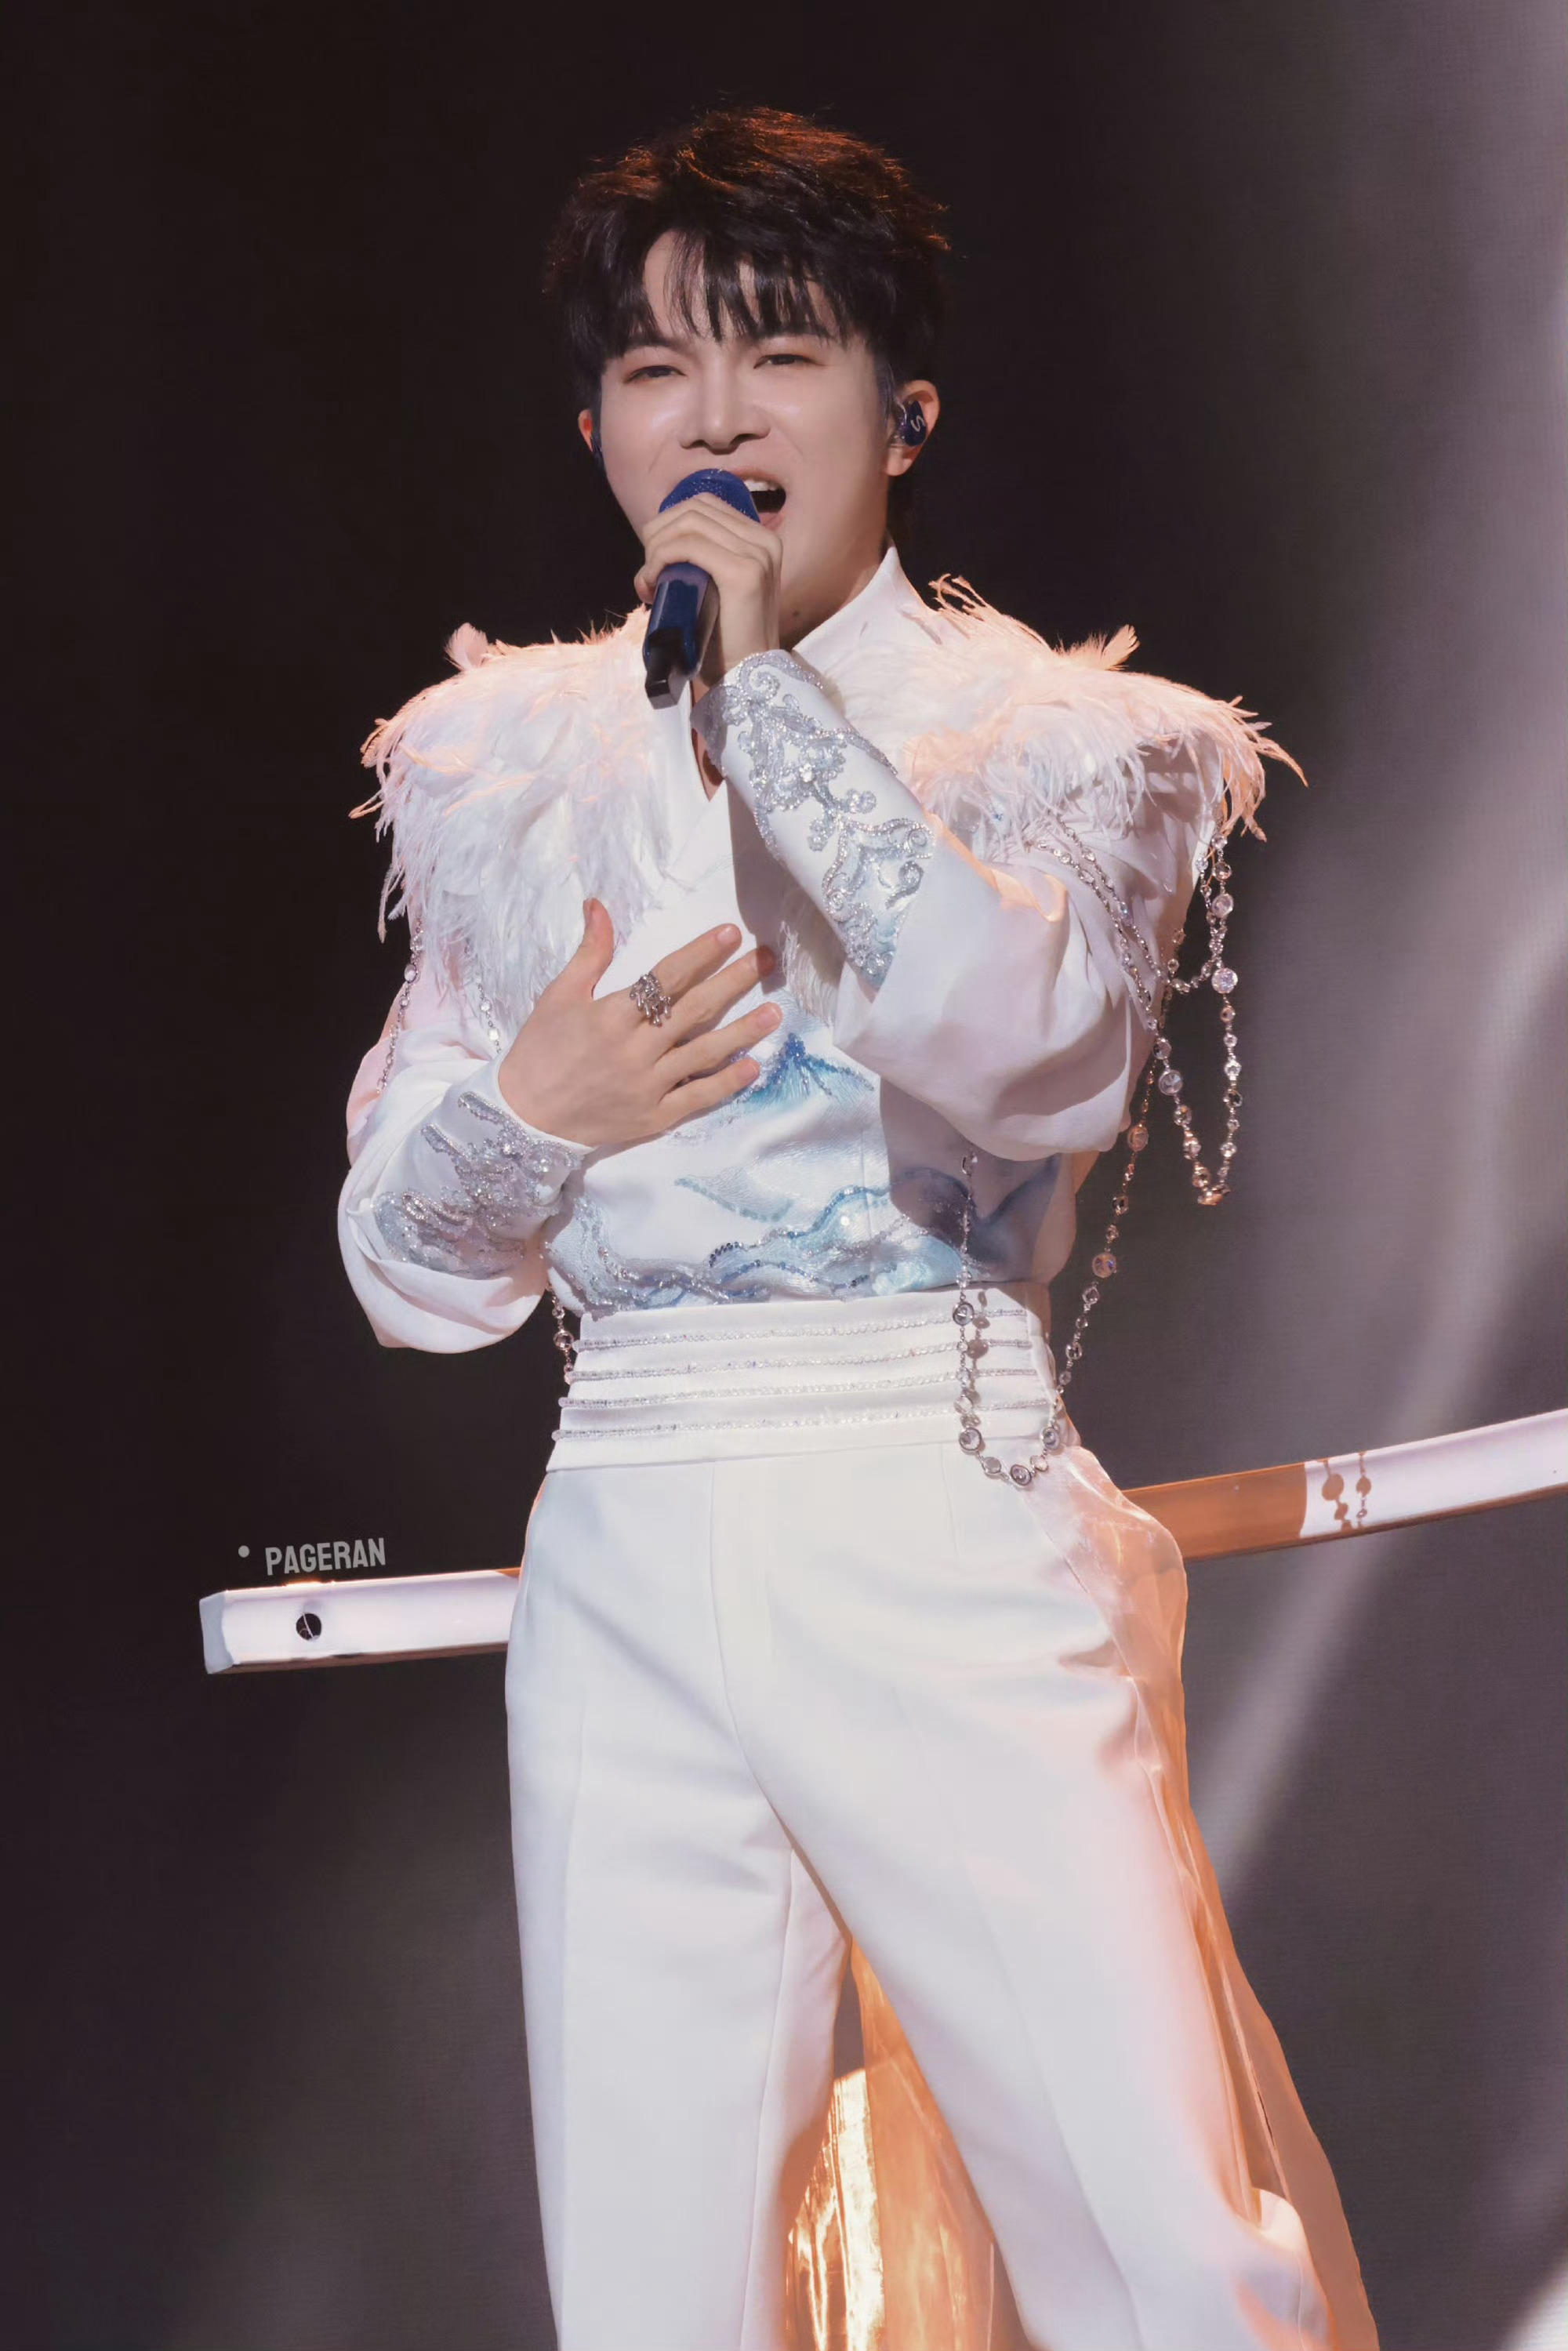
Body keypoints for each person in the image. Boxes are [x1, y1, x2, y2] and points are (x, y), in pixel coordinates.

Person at [339, 106, 1377, 2351]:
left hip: (929, 1489)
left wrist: (769, 711)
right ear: (596, 429)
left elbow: (1037, 1054)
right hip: (622, 1524)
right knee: (656, 2292)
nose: (712, 417)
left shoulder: (1071, 743)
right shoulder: (501, 766)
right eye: (654, 367)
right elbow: (410, 1275)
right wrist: (528, 1118)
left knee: (1164, 2252)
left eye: (777, 353)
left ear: (902, 412)